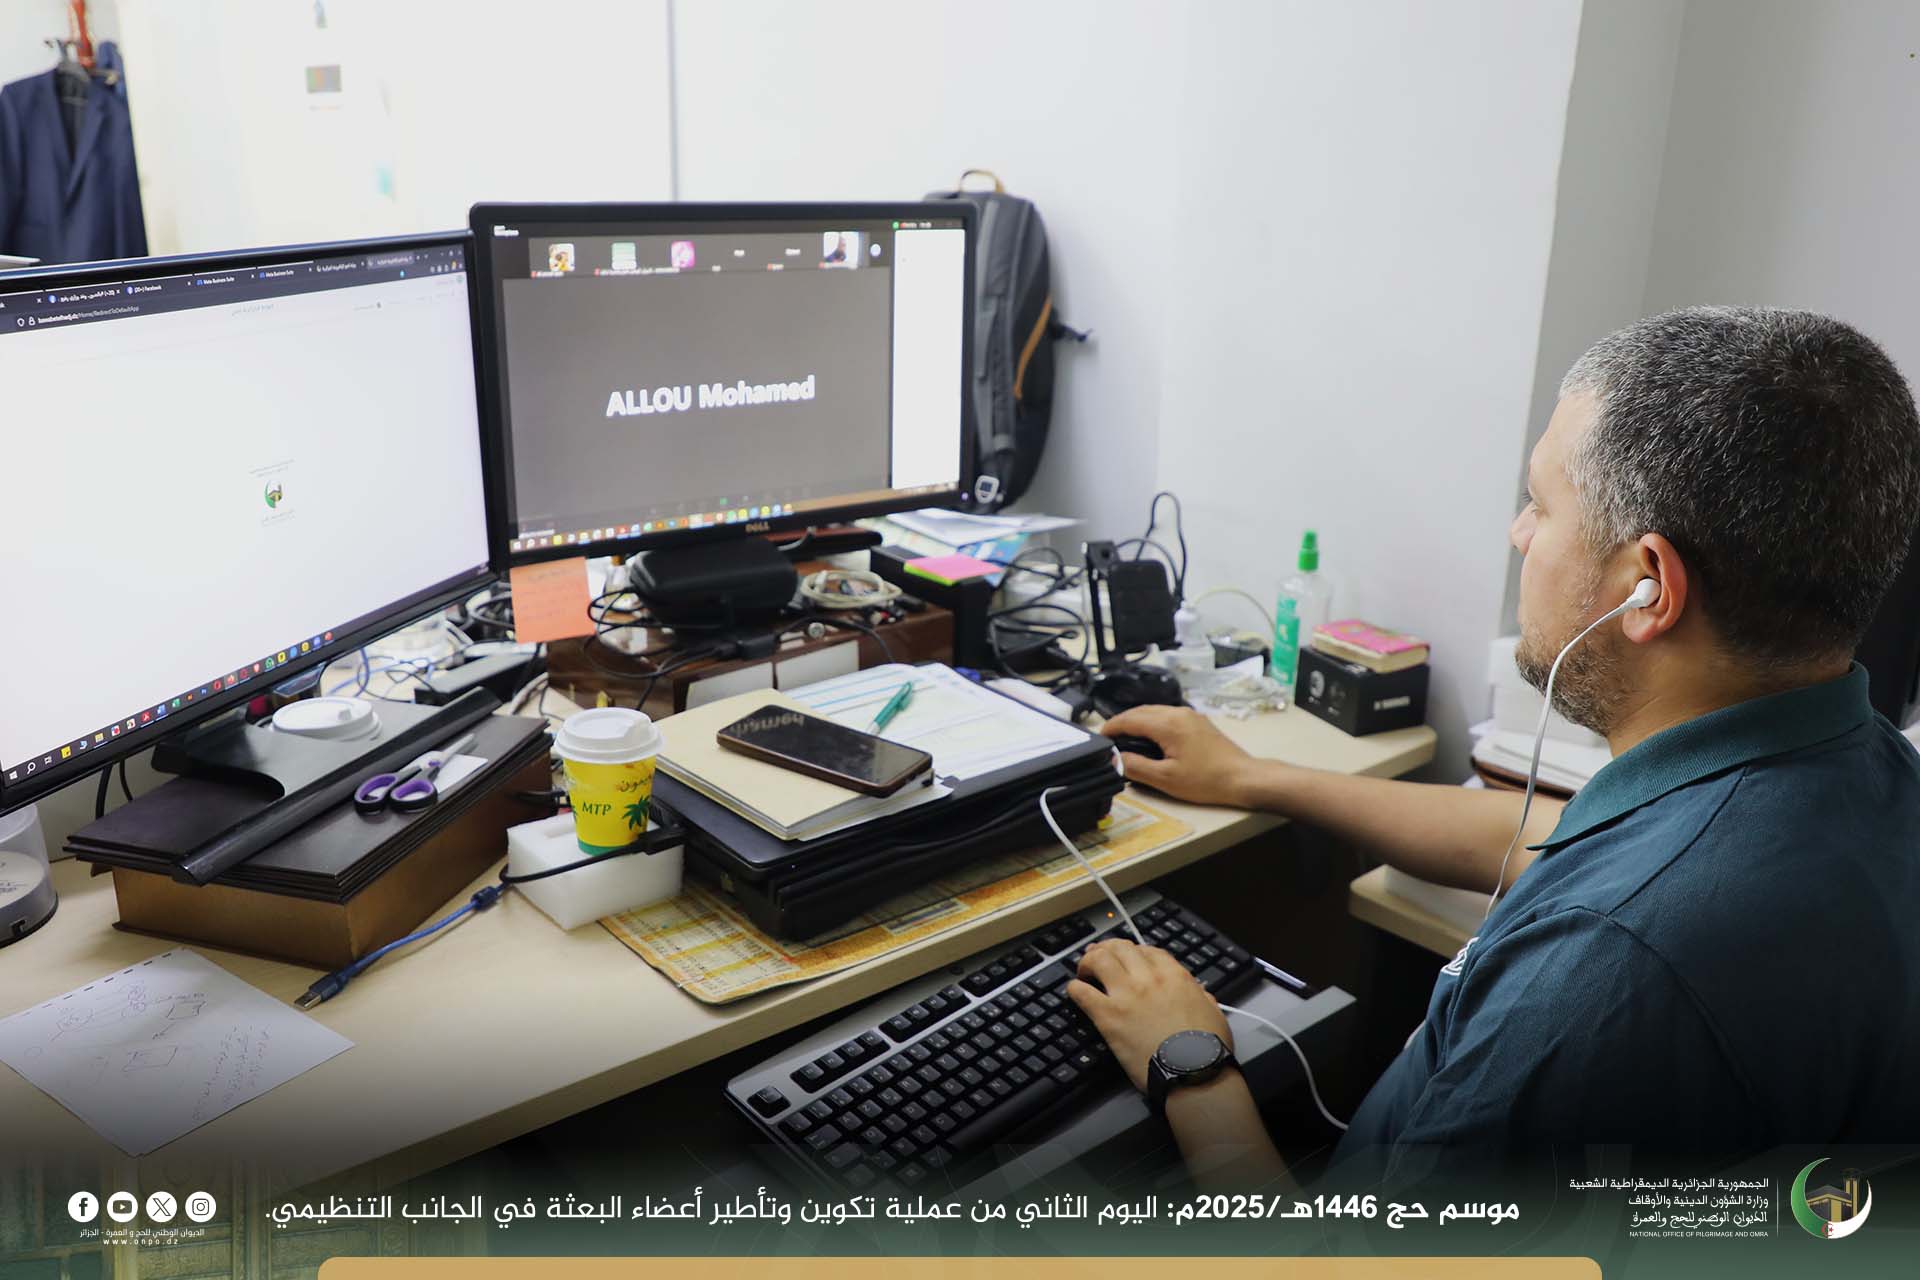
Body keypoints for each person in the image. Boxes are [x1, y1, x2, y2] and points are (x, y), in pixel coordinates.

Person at [1072, 307, 1920, 1189]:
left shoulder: (1602, 974)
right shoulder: (1854, 770)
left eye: (1540, 505)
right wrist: (1258, 777)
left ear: (1649, 587)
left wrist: (1194, 1070)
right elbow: (1541, 841)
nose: (1520, 534)